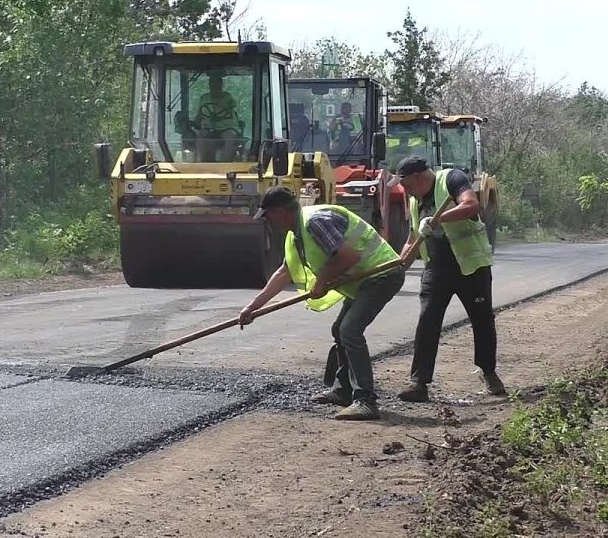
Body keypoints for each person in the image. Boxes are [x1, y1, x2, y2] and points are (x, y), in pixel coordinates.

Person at [239, 186, 405, 420]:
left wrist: (322, 280)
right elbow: (284, 272)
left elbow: (348, 256)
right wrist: (253, 307)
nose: (268, 222)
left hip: (382, 274)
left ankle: (366, 400)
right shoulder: (295, 234)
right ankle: (343, 391)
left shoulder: (314, 222)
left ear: (279, 212)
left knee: (350, 330)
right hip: (365, 280)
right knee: (340, 329)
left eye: (268, 216)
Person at [387, 156, 505, 401]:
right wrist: (399, 266)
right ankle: (419, 383)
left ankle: (488, 371)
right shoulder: (414, 200)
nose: (405, 190)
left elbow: (471, 205)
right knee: (427, 320)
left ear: (417, 177)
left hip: (470, 266)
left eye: (406, 184)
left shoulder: (452, 179)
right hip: (436, 268)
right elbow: (412, 238)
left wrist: (439, 219)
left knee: (482, 320)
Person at [194, 72, 241, 161]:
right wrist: (196, 124)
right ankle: (201, 164)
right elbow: (199, 114)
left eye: (216, 84)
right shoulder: (204, 98)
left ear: (221, 85)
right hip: (210, 128)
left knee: (229, 136)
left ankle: (226, 163)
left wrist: (221, 109)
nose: (214, 86)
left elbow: (231, 108)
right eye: (211, 84)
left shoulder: (227, 97)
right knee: (200, 137)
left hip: (227, 127)